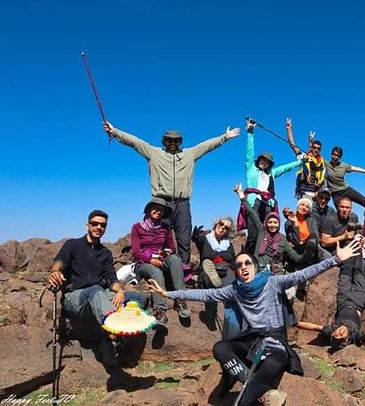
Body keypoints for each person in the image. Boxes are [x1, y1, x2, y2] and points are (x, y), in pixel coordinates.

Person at [146, 239, 363, 406]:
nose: (243, 267)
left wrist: (335, 259)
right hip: (253, 340)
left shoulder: (272, 282)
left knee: (273, 363)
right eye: (239, 265)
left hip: (276, 342)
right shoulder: (234, 290)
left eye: (247, 262)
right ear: (236, 271)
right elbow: (205, 294)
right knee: (220, 347)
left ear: (255, 266)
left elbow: (303, 273)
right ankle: (263, 392)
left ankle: (244, 400)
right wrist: (167, 293)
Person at [103, 120, 241, 265]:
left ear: (180, 142)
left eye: (176, 140)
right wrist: (115, 132)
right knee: (159, 238)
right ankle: (160, 269)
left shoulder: (189, 154)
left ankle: (184, 271)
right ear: (164, 141)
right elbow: (135, 142)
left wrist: (224, 137)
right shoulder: (154, 153)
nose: (173, 143)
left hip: (183, 203)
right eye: (169, 140)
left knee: (184, 239)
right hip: (161, 202)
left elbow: (206, 146)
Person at [47, 210, 146, 368]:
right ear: (87, 225)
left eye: (102, 225)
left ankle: (111, 339)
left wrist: (120, 292)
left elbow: (111, 278)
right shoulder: (72, 245)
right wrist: (55, 271)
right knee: (95, 291)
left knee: (140, 298)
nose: (98, 227)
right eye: (95, 224)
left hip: (99, 295)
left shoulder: (105, 253)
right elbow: (61, 260)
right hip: (75, 298)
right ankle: (115, 329)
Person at [296, 254, 365, 351]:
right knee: (358, 273)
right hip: (357, 301)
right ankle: (359, 248)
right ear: (346, 339)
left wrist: (293, 323)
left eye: (337, 334)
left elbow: (312, 327)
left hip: (343, 299)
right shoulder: (355, 335)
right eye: (342, 335)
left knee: (346, 272)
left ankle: (350, 247)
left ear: (332, 334)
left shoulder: (330, 330)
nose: (340, 332)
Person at [243, 118, 304, 253]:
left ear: (269, 164)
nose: (263, 162)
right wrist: (250, 132)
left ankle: (266, 257)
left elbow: (286, 168)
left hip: (268, 203)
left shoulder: (271, 173)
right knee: (253, 234)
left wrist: (301, 162)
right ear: (258, 160)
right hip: (254, 202)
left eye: (267, 161)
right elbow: (249, 152)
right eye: (262, 160)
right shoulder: (251, 169)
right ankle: (247, 258)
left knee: (268, 232)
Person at [131, 197, 190, 328]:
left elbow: (172, 248)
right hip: (143, 263)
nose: (159, 211)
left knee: (175, 259)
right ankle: (160, 310)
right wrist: (151, 260)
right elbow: (135, 252)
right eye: (156, 208)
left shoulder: (166, 228)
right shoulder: (136, 227)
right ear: (148, 210)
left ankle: (180, 299)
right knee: (155, 271)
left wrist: (165, 253)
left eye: (162, 210)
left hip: (161, 258)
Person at [192, 216, 239, 333]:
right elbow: (196, 240)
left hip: (224, 269)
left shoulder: (228, 244)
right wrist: (195, 235)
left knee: (232, 290)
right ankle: (211, 313)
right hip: (209, 268)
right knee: (209, 278)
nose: (223, 228)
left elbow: (233, 261)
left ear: (228, 231)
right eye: (221, 224)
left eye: (226, 227)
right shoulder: (205, 239)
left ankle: (232, 319)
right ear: (216, 223)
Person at [286, 120, 326, 199]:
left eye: (318, 148)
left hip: (316, 196)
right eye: (314, 148)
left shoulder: (322, 163)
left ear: (320, 150)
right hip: (304, 193)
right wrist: (289, 129)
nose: (316, 150)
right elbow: (292, 145)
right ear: (312, 148)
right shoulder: (304, 157)